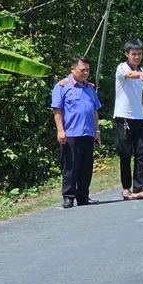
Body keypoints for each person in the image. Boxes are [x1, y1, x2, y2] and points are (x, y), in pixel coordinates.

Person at [51, 56, 102, 209]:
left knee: (86, 167)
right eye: (82, 70)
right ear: (72, 69)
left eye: (87, 70)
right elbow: (57, 110)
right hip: (71, 133)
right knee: (70, 166)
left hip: (87, 132)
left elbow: (94, 110)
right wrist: (60, 130)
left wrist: (97, 130)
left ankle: (83, 196)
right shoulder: (62, 86)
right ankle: (68, 197)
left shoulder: (90, 88)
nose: (85, 73)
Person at [114, 39, 143, 200]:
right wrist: (140, 74)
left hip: (139, 117)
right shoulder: (122, 68)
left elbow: (139, 96)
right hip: (124, 116)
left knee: (141, 153)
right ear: (127, 54)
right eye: (134, 54)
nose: (137, 57)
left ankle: (138, 188)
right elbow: (129, 75)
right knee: (125, 153)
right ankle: (126, 188)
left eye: (139, 54)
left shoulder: (141, 70)